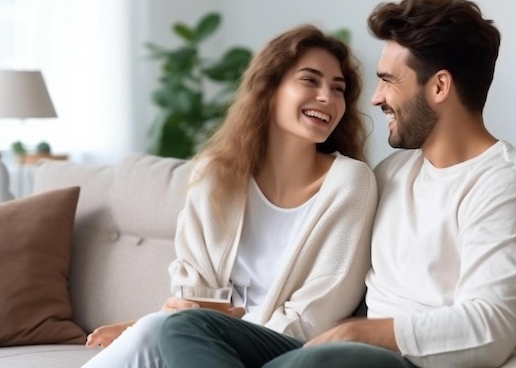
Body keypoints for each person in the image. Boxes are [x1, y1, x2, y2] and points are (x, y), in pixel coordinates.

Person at [157, 0, 516, 368]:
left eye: (389, 80)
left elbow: (490, 328)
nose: (374, 98)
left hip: (408, 361)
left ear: (439, 86)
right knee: (182, 328)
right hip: (341, 354)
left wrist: (361, 331)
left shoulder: (508, 182)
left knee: (315, 362)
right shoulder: (392, 175)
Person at [80, 24, 377, 368]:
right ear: (270, 88)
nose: (327, 96)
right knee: (157, 332)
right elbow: (193, 296)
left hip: (288, 348)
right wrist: (183, 322)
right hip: (200, 342)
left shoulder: (350, 182)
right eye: (310, 80)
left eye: (338, 88)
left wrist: (171, 325)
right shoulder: (215, 176)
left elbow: (315, 316)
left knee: (154, 331)